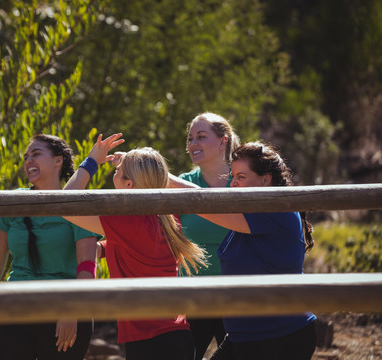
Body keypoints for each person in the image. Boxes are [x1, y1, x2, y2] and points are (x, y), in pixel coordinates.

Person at [62, 133, 207, 360]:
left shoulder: (128, 221)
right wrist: (97, 249)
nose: (114, 172)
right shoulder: (165, 216)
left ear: (129, 183)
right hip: (172, 335)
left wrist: (91, 162)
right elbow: (130, 247)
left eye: (118, 171)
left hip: (152, 340)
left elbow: (65, 204)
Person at [170, 141, 317, 360]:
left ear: (265, 179)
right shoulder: (249, 213)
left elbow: (206, 205)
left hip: (281, 336)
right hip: (246, 336)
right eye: (233, 176)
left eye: (241, 177)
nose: (233, 184)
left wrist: (163, 177)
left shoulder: (275, 209)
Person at [0, 134, 100, 360]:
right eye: (26, 156)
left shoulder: (78, 202)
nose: (28, 160)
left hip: (64, 310)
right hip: (16, 307)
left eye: (36, 154)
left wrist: (73, 311)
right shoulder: (12, 201)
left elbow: (87, 267)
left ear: (58, 161)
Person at [169, 112, 240, 359]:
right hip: (191, 297)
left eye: (201, 136)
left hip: (237, 296)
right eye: (190, 139)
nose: (192, 144)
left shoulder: (242, 181)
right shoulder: (179, 184)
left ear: (224, 141)